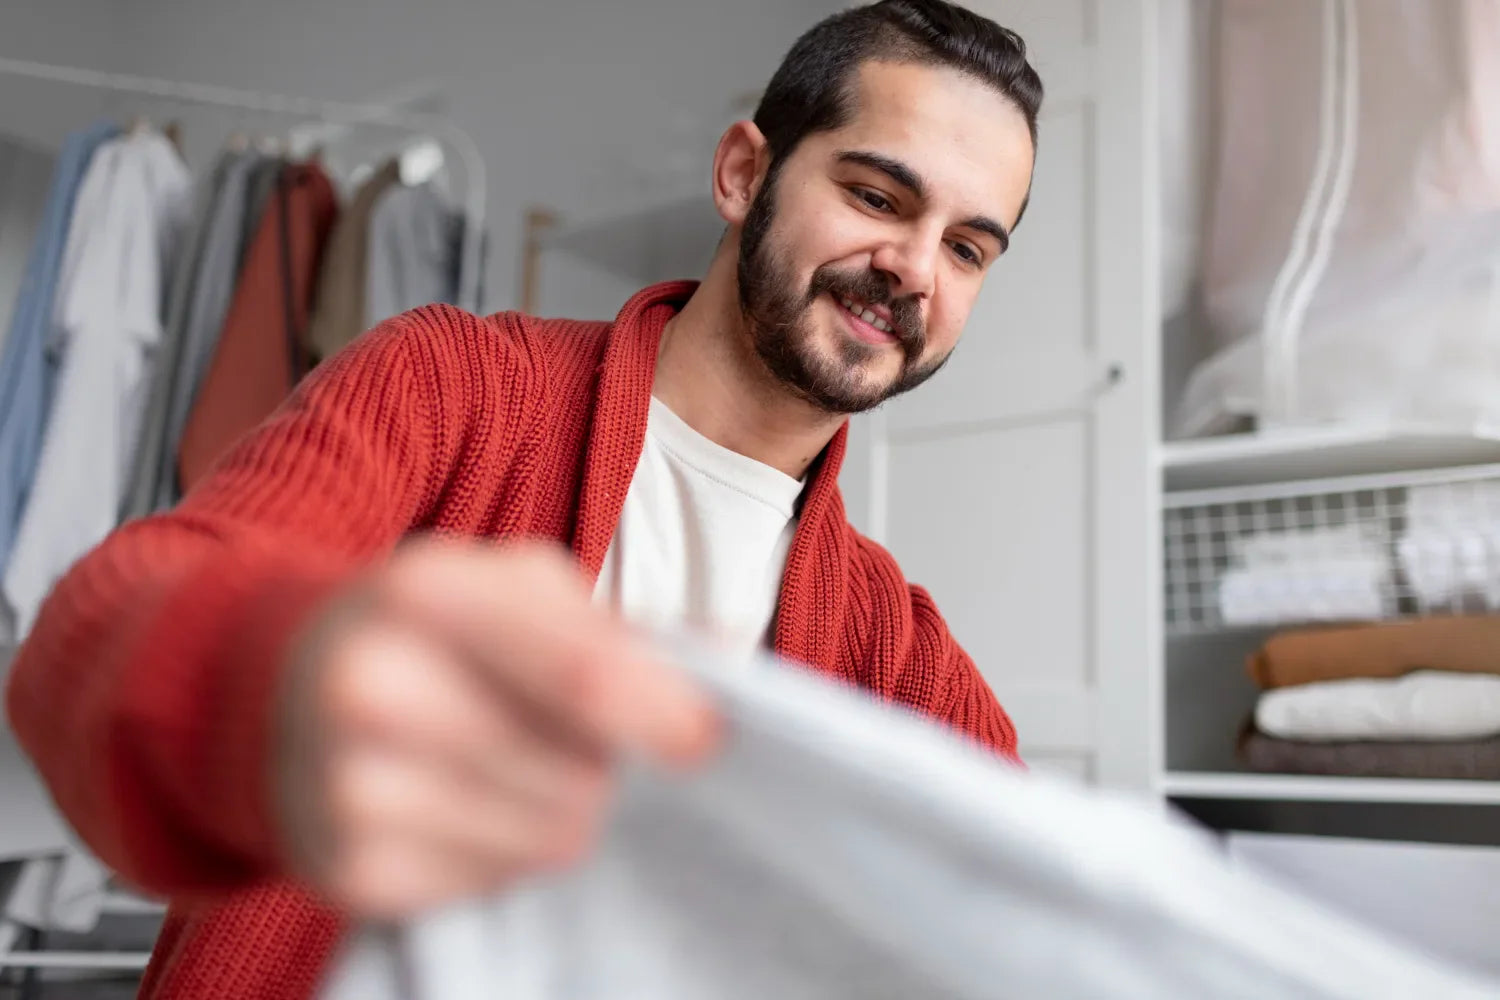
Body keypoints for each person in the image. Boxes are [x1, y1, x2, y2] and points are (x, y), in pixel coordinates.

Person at [4, 1, 1041, 997]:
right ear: (742, 173)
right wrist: (286, 688)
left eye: (966, 249)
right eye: (877, 197)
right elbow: (95, 633)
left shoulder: (900, 658)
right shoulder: (448, 387)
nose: (912, 269)